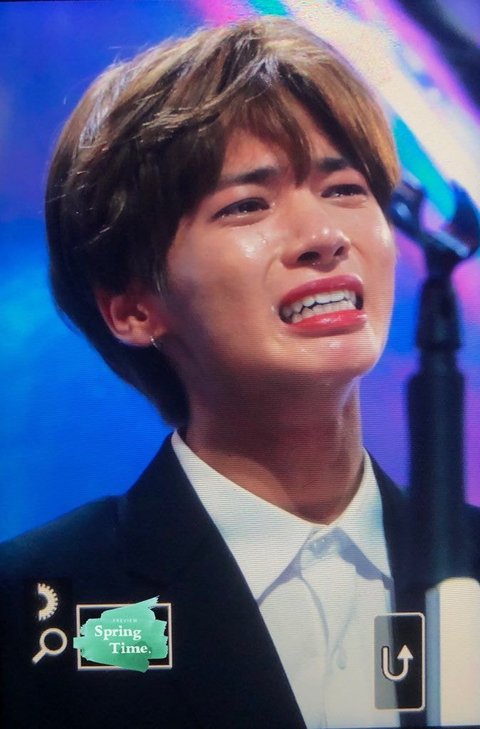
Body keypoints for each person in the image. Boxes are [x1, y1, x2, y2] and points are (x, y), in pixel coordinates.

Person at [1, 16, 479, 729]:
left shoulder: (468, 567)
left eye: (344, 189)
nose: (324, 237)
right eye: (248, 204)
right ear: (133, 307)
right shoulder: (40, 603)